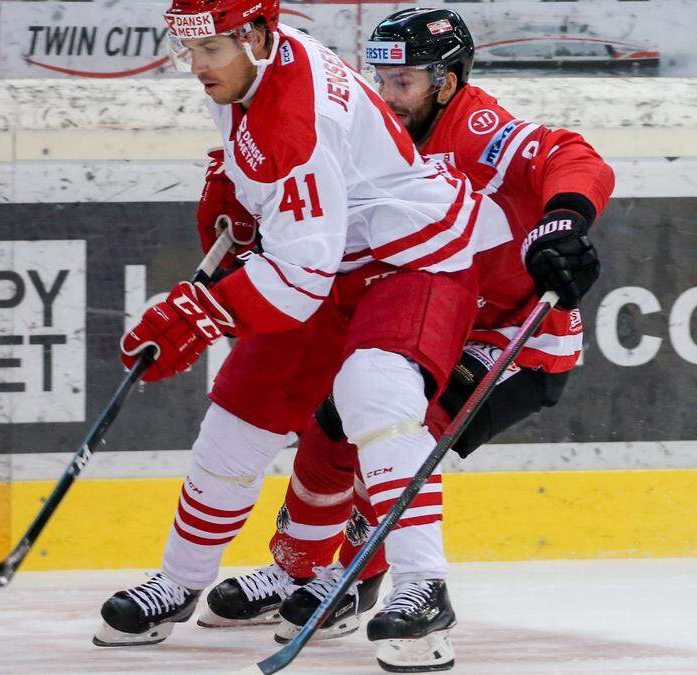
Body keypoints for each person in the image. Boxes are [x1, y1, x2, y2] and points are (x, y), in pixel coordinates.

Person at [94, 2, 518, 670]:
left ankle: (422, 587)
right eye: (190, 49)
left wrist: (201, 314)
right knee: (238, 414)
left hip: (412, 254)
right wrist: (242, 190)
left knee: (374, 388)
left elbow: (297, 285)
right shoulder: (257, 65)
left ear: (257, 36)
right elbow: (295, 228)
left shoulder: (297, 123)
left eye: (212, 50)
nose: (197, 66)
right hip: (329, 248)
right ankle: (177, 584)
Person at [201, 8, 614, 671]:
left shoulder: (476, 127)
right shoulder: (370, 130)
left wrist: (563, 220)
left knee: (402, 427)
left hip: (515, 339)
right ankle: (300, 570)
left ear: (447, 84)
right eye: (381, 79)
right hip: (432, 318)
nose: (388, 97)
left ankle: (374, 585)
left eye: (405, 84)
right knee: (332, 419)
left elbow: (573, 156)